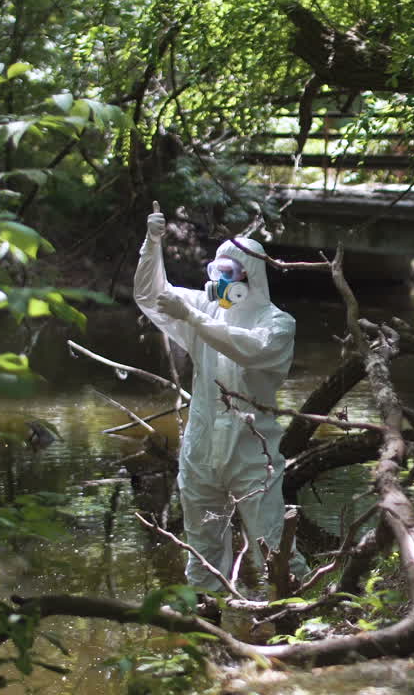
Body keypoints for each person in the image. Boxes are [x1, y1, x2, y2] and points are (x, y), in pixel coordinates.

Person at [134, 205, 305, 591]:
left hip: (251, 452)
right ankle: (206, 619)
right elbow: (149, 294)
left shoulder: (277, 323)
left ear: (249, 276)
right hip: (202, 447)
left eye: (228, 273)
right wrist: (152, 244)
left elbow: (250, 348)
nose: (219, 281)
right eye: (216, 271)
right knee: (202, 552)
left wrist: (192, 318)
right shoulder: (207, 308)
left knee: (272, 546)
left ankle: (294, 612)